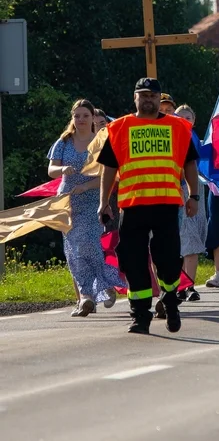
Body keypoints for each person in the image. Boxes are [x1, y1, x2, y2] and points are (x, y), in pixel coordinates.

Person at [97, 78, 200, 334]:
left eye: (153, 95)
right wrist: (103, 203)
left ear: (159, 99)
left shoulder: (178, 127)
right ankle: (140, 317)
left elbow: (190, 165)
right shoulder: (119, 127)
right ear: (135, 98)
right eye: (143, 95)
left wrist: (194, 196)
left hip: (166, 207)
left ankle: (170, 299)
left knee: (168, 262)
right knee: (133, 263)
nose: (148, 99)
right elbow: (109, 169)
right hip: (132, 207)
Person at [48, 99, 124, 317]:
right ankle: (86, 297)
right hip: (67, 202)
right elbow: (51, 169)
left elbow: (108, 173)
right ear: (72, 118)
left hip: (93, 201)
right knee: (73, 251)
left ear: (93, 118)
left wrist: (86, 186)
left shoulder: (100, 141)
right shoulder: (64, 141)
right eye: (77, 116)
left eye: (85, 116)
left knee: (90, 246)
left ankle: (105, 284)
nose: (81, 120)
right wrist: (63, 169)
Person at [175, 104, 206, 302]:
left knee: (192, 239)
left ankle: (190, 285)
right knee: (175, 242)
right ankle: (177, 286)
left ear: (194, 121)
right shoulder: (171, 136)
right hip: (173, 189)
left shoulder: (197, 141)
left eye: (188, 117)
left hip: (192, 190)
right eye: (180, 117)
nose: (184, 120)